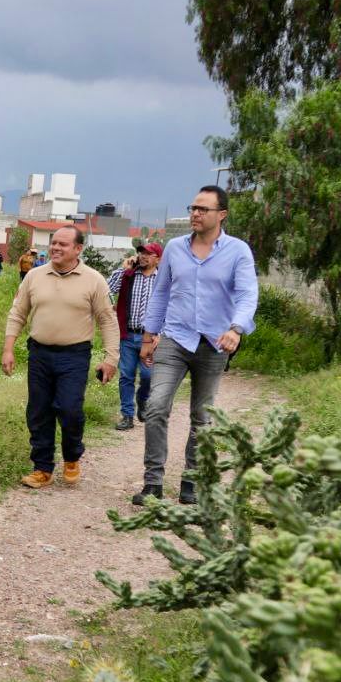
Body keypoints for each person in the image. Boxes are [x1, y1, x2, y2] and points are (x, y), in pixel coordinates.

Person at [133, 186, 258, 506]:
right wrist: (148, 337)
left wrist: (236, 328)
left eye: (203, 209)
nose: (195, 214)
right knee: (156, 405)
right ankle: (153, 482)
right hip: (175, 338)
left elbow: (247, 295)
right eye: (193, 208)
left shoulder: (238, 251)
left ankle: (192, 480)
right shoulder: (174, 248)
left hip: (215, 343)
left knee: (202, 416)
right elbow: (160, 293)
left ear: (222, 215)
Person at [2, 226, 119, 489]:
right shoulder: (33, 276)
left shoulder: (94, 280)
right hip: (39, 353)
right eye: (54, 243)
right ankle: (42, 468)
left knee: (69, 409)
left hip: (74, 356)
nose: (55, 248)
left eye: (63, 244)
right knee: (38, 411)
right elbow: (17, 314)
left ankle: (72, 456)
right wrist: (8, 349)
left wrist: (110, 359)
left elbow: (107, 321)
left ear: (78, 249)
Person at [107, 242, 162, 431]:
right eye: (141, 252)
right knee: (126, 376)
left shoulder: (163, 278)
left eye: (148, 253)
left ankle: (143, 399)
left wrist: (160, 334)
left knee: (148, 376)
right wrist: (123, 269)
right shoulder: (129, 275)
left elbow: (170, 308)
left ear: (158, 258)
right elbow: (108, 289)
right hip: (128, 335)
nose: (143, 256)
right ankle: (127, 415)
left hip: (151, 339)